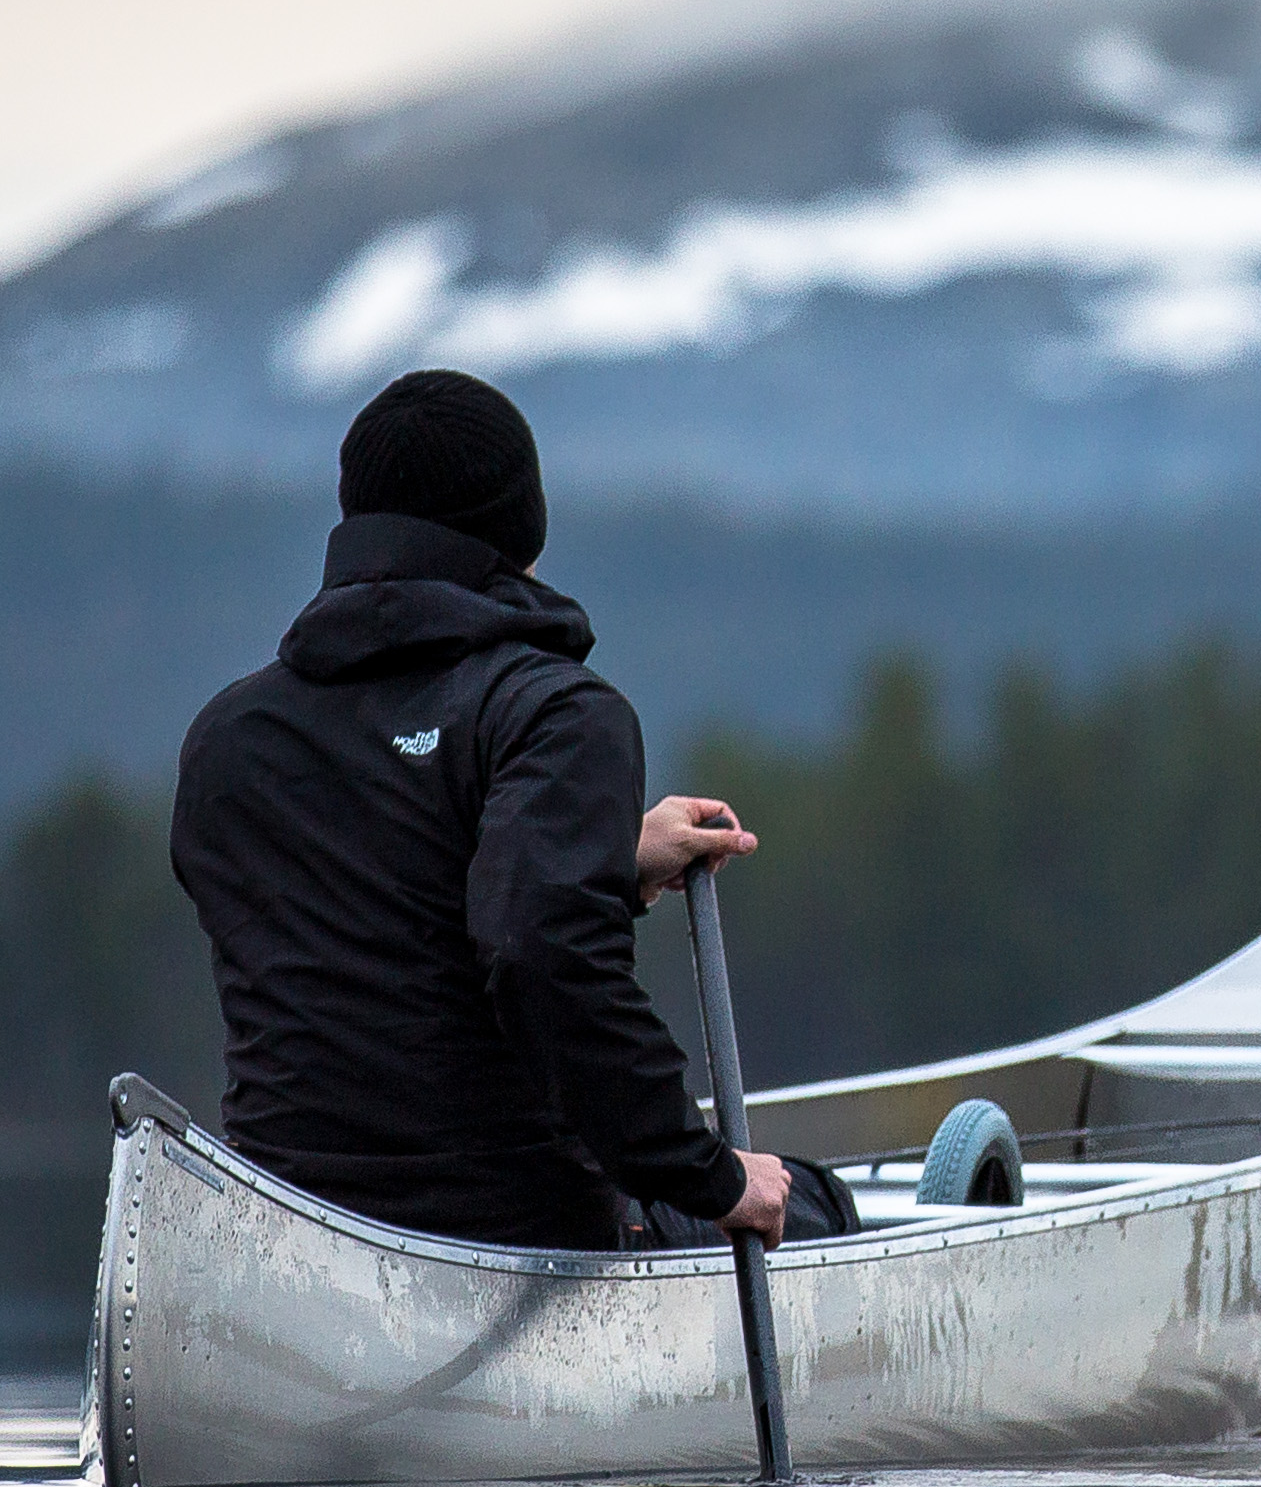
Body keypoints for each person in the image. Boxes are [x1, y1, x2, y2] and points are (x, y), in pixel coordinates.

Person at [168, 367, 796, 1252]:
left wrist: (607, 859)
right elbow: (536, 950)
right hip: (510, 1236)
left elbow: (383, 918)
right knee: (810, 1200)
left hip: (285, 1230)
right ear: (523, 529)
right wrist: (713, 1175)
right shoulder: (558, 714)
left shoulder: (229, 739)